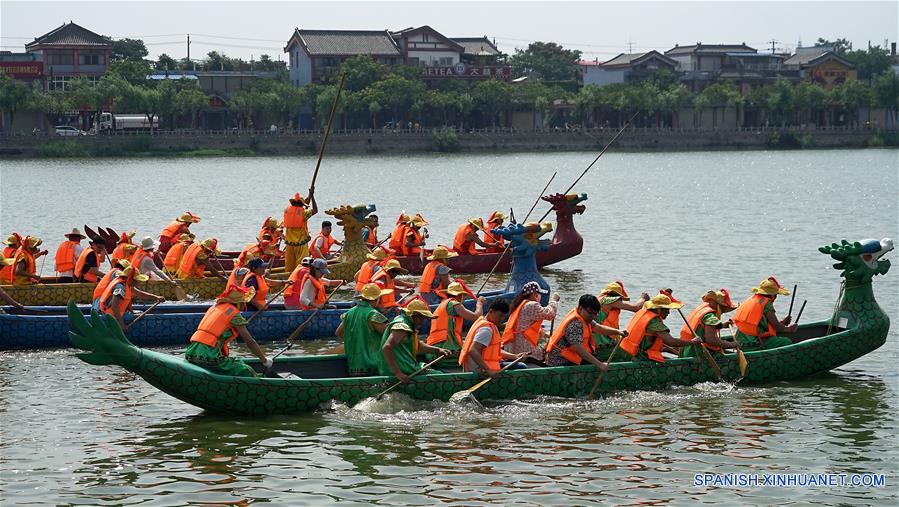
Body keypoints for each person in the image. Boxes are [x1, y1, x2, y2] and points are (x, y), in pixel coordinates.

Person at [185, 284, 273, 377]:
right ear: (239, 303)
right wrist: (264, 360)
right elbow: (250, 341)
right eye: (243, 303)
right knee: (247, 370)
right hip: (208, 356)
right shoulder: (234, 313)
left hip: (191, 353)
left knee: (238, 362)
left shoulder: (215, 307)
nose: (244, 306)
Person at [545, 295, 627, 368]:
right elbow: (577, 348)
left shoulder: (585, 317)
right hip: (560, 360)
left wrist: (618, 332)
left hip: (571, 355)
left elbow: (598, 328)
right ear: (580, 308)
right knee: (595, 364)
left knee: (595, 359)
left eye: (595, 314)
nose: (593, 316)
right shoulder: (575, 323)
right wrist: (599, 364)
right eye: (590, 313)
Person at [378, 299, 451, 381]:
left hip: (406, 366)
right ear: (413, 315)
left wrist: (438, 350)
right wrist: (397, 373)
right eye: (421, 317)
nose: (423, 321)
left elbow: (418, 346)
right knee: (440, 376)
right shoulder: (402, 326)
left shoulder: (407, 322)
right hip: (403, 370)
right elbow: (387, 347)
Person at [619, 292, 700, 363]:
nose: (668, 312)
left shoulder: (643, 312)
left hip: (629, 353)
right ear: (658, 309)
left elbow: (662, 343)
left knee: (668, 354)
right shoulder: (654, 322)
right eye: (667, 309)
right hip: (641, 358)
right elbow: (670, 341)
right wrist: (692, 342)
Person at [335, 283, 392, 376]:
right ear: (376, 299)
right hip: (374, 366)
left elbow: (338, 333)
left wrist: (356, 341)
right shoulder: (373, 314)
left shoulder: (349, 313)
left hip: (354, 367)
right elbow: (390, 338)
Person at [459, 299, 523, 374]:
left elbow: (495, 351)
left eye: (503, 317)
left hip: (484, 366)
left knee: (516, 364)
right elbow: (473, 350)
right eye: (500, 316)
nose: (501, 319)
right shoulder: (486, 329)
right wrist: (488, 370)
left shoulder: (485, 322)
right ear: (491, 311)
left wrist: (515, 356)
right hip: (479, 370)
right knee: (522, 366)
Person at [732, 277, 796, 351]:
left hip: (740, 341)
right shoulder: (766, 303)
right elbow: (776, 326)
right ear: (772, 295)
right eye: (776, 295)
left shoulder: (753, 299)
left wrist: (783, 323)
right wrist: (789, 329)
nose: (775, 298)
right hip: (753, 343)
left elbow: (762, 324)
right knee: (786, 341)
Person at [502, 281, 559, 361]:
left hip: (511, 348)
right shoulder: (531, 305)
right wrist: (554, 301)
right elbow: (550, 314)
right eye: (540, 294)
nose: (540, 297)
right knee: (544, 355)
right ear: (535, 294)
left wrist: (542, 333)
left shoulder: (519, 305)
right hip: (522, 350)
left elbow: (525, 325)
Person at [98, 262, 165, 330]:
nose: (138, 282)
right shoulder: (120, 287)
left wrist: (156, 297)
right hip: (110, 316)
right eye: (136, 280)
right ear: (130, 279)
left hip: (114, 314)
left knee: (139, 312)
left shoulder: (127, 285)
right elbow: (114, 306)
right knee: (138, 314)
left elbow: (140, 294)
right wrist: (121, 324)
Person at [680, 289, 740, 357]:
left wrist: (722, 325)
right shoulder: (710, 317)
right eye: (723, 309)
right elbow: (711, 340)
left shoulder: (702, 310)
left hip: (686, 349)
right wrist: (732, 344)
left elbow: (702, 327)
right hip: (698, 353)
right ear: (719, 306)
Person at [427, 282, 485, 352]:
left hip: (434, 344)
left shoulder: (443, 304)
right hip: (445, 346)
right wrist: (479, 304)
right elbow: (476, 317)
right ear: (459, 296)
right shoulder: (454, 304)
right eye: (463, 296)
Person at [594, 281, 649, 347]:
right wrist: (643, 298)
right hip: (602, 339)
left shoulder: (599, 299)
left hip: (596, 335)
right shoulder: (611, 300)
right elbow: (636, 308)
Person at [283, 191, 318, 272]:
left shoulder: (287, 210)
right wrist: (312, 197)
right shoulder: (303, 212)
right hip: (301, 244)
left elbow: (303, 206)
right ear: (301, 205)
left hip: (289, 244)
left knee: (289, 266)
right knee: (303, 265)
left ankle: (289, 277)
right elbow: (315, 210)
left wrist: (309, 195)